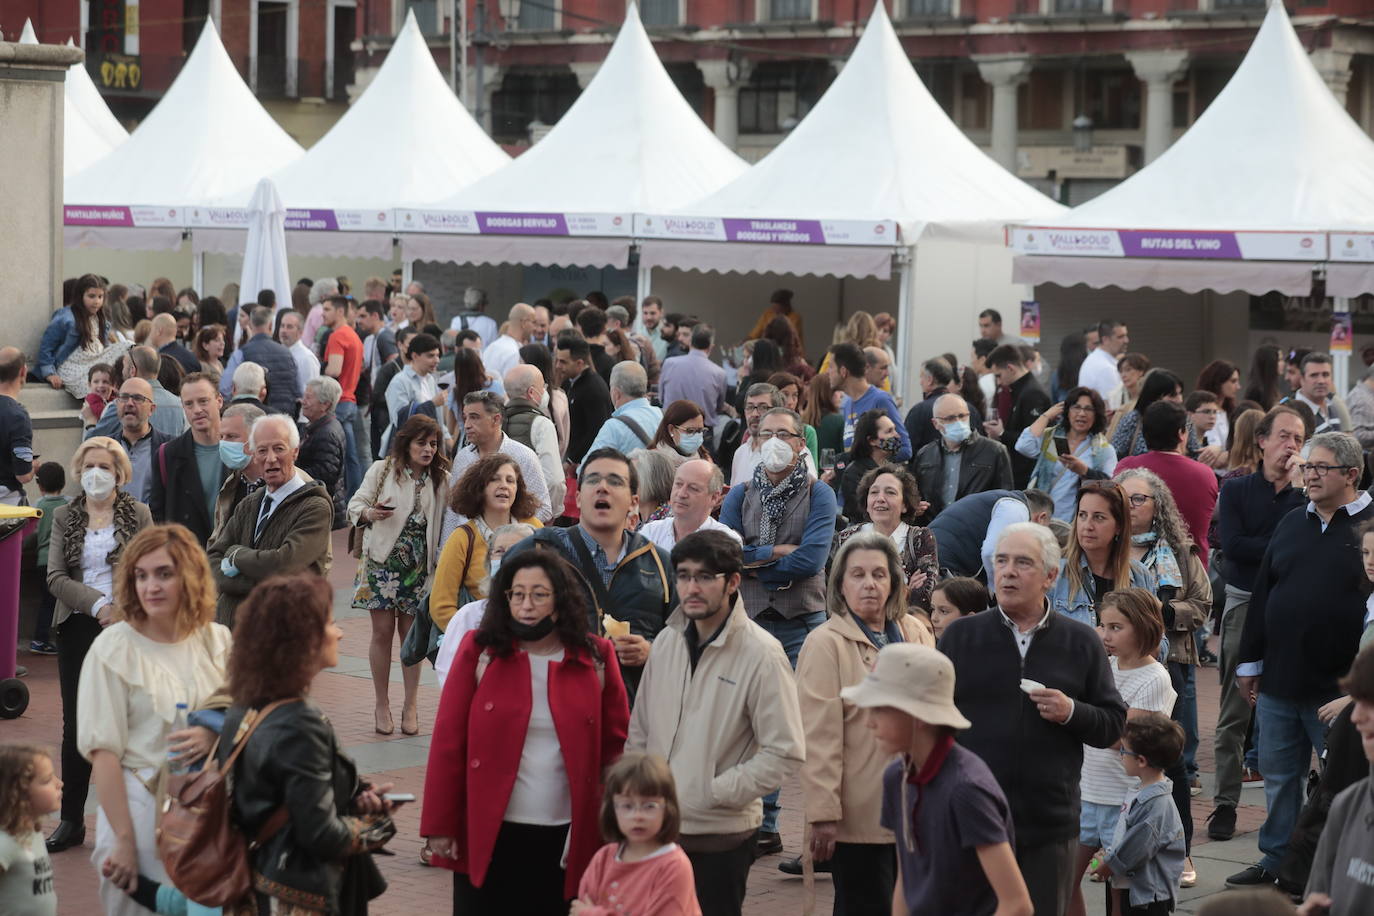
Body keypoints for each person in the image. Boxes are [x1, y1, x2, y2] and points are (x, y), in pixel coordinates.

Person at [422, 548, 631, 914]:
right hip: (490, 830)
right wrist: (440, 825)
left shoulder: (595, 657)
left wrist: (620, 825)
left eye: (539, 594)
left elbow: (616, 751)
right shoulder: (480, 650)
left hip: (567, 833)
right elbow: (448, 741)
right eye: (517, 594)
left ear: (559, 600)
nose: (526, 604)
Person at [940, 522, 1128, 916]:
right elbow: (935, 721)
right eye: (1001, 561)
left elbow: (1113, 723)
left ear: (1050, 576)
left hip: (1049, 822)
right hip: (972, 820)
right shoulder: (961, 637)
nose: (1007, 571)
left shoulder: (1080, 642)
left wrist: (1071, 711)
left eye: (1022, 563)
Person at [627, 530, 804, 915]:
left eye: (705, 577)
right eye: (684, 575)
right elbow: (640, 732)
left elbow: (785, 751)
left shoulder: (763, 654)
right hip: (658, 830)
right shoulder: (666, 642)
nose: (692, 586)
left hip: (721, 837)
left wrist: (714, 791)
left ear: (733, 582)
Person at [1229, 431, 1374, 889]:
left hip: (1340, 688)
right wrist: (1249, 662)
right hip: (1281, 679)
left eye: (1320, 468)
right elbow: (1265, 593)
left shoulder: (1371, 526)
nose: (1308, 474)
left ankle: (1329, 868)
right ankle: (1277, 862)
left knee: (1341, 783)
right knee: (1278, 776)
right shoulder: (1293, 521)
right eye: (1307, 466)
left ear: (1351, 474)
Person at [219, 573, 397, 915]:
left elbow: (274, 800)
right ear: (303, 640)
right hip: (300, 895)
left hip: (257, 884)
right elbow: (321, 834)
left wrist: (351, 799)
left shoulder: (244, 708)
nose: (340, 631)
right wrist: (378, 825)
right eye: (330, 623)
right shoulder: (300, 723)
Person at [78, 524, 231, 915]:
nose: (151, 586)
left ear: (190, 576)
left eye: (165, 573)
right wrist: (124, 842)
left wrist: (212, 731)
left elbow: (248, 715)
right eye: (141, 575)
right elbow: (104, 754)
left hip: (205, 818)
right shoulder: (113, 648)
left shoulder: (218, 641)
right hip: (139, 809)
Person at [791, 533, 934, 910]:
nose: (869, 584)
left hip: (917, 809)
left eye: (878, 574)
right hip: (860, 816)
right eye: (857, 574)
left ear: (894, 582)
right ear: (840, 583)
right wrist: (822, 813)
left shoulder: (915, 632)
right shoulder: (825, 643)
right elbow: (818, 735)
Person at [842, 643, 1032, 916]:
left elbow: (1016, 904)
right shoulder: (896, 777)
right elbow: (907, 878)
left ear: (918, 714)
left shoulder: (966, 790)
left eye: (880, 709)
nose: (869, 722)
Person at [720, 406, 835, 856]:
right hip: (749, 622)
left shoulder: (818, 493)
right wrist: (775, 554)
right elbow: (727, 553)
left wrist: (755, 562)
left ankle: (793, 826)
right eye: (764, 433)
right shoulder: (740, 493)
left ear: (800, 442)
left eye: (782, 434)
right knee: (752, 724)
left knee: (798, 728)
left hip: (802, 623)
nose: (772, 441)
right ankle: (760, 824)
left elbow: (812, 560)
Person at [43, 439, 153, 856]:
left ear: (119, 472)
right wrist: (98, 604)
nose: (96, 473)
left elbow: (149, 568)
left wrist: (122, 608)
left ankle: (130, 819)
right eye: (89, 465)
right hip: (77, 626)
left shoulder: (138, 513)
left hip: (127, 627)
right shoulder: (64, 515)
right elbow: (55, 577)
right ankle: (71, 820)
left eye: (104, 466)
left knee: (127, 720)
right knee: (78, 723)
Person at [1207, 405, 1306, 841]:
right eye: (1284, 436)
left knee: (1295, 707)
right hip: (1245, 603)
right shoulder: (1237, 490)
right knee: (1233, 712)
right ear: (1262, 440)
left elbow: (1301, 550)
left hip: (1293, 608)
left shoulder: (1307, 495)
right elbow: (1235, 547)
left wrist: (1302, 495)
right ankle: (1225, 803)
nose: (1291, 446)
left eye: (1300, 439)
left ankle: (1301, 808)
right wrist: (1282, 542)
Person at [506, 448, 675, 700]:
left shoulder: (659, 562)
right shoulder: (538, 550)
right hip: (551, 710)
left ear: (633, 502)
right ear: (578, 495)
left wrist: (652, 652)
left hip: (633, 717)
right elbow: (498, 624)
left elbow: (685, 641)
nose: (603, 487)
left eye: (615, 481)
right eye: (593, 480)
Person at [1070, 589, 1177, 916]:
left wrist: (1076, 716)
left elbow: (1129, 740)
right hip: (1088, 791)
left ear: (1144, 627)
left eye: (1116, 627)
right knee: (1063, 880)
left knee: (1120, 892)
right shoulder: (1104, 666)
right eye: (1103, 626)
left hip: (1126, 799)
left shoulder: (1154, 677)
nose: (1105, 635)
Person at [348, 415, 450, 736]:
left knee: (411, 638)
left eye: (433, 443)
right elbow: (355, 505)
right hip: (381, 562)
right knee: (381, 633)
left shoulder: (442, 479)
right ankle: (381, 704)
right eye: (421, 443)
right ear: (406, 443)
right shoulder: (382, 469)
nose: (428, 449)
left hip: (420, 569)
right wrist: (370, 513)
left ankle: (410, 705)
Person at [1118, 468, 1211, 803]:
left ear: (1158, 505)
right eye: (1123, 499)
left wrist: (1164, 612)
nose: (1130, 506)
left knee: (1170, 758)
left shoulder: (1180, 551)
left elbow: (1202, 604)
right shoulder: (1105, 549)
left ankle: (1178, 841)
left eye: (1138, 499)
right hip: (1118, 666)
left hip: (1170, 661)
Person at [207, 414, 334, 627]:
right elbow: (214, 559)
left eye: (279, 448)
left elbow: (284, 564)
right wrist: (260, 581)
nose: (271, 458)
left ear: (295, 451)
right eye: (263, 450)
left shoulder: (314, 507)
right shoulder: (250, 504)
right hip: (236, 630)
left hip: (283, 632)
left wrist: (237, 555)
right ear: (254, 455)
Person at [571, 752, 701, 916]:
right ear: (613, 809)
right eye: (627, 806)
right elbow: (580, 908)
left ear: (668, 809)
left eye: (649, 806)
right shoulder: (604, 858)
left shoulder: (674, 866)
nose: (637, 816)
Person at [1298, 644, 1374, 916]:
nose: (1356, 716)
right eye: (1356, 702)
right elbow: (1319, 897)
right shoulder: (1348, 804)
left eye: (1371, 703)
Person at [1088, 713, 1187, 916]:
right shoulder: (1140, 790)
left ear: (1141, 760)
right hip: (1132, 885)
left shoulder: (1155, 804)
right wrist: (1108, 853)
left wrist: (1110, 864)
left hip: (1148, 896)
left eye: (1124, 751)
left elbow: (1137, 845)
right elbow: (1126, 835)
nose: (1120, 755)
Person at [431, 454, 543, 632]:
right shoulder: (462, 538)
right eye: (494, 479)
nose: (504, 485)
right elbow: (440, 606)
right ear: (479, 488)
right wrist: (473, 641)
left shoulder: (534, 529)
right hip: (481, 636)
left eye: (510, 480)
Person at [1117, 401, 1220, 569]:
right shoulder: (1205, 474)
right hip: (1192, 569)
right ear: (1181, 433)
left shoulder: (1127, 468)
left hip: (1136, 567)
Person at [442, 391, 553, 540]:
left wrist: (509, 531)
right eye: (465, 418)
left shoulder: (523, 456)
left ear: (496, 419)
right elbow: (453, 511)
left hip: (509, 549)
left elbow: (544, 509)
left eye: (474, 417)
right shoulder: (463, 457)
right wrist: (443, 553)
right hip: (467, 549)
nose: (467, 425)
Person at [1047, 480, 1155, 627]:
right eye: (1082, 515)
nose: (1088, 526)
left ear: (1119, 526)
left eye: (1099, 517)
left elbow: (1160, 643)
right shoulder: (1055, 572)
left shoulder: (1139, 576)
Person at [833, 465, 939, 610]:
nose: (880, 499)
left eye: (890, 493)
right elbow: (837, 593)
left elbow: (923, 598)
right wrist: (906, 591)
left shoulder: (920, 539)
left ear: (905, 505)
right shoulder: (845, 539)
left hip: (904, 628)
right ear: (867, 503)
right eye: (874, 492)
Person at [148, 373, 228, 546]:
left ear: (219, 401)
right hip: (187, 558)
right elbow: (159, 515)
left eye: (203, 401)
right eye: (189, 404)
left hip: (232, 558)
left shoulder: (240, 449)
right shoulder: (167, 455)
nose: (197, 410)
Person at [1018, 388, 1117, 521]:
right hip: (1041, 516)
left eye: (1088, 409)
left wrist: (1085, 471)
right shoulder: (1050, 437)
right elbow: (1023, 445)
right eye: (1076, 407)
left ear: (1096, 414)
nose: (1082, 414)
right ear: (1067, 411)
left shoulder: (1104, 449)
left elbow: (1112, 487)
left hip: (1075, 521)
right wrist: (1047, 416)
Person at [913, 393, 1013, 521]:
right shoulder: (925, 455)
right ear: (936, 423)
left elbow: (1006, 501)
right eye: (950, 418)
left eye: (962, 416)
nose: (958, 422)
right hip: (935, 529)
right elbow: (917, 497)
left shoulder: (994, 451)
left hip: (975, 530)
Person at [927, 487, 1054, 584]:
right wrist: (996, 590)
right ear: (1042, 518)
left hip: (929, 558)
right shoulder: (1017, 508)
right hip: (944, 567)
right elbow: (991, 551)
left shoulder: (1000, 499)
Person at [36, 274, 129, 398]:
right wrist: (49, 373)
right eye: (91, 296)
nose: (96, 301)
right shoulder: (66, 318)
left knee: (129, 347)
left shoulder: (101, 319)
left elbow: (104, 346)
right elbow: (46, 347)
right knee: (96, 385)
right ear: (80, 296)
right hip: (73, 367)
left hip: (96, 362)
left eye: (100, 297)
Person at [0, 742, 62, 914]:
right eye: (47, 780)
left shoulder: (32, 831)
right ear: (18, 794)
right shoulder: (7, 841)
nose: (60, 783)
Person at [983, 344, 1053, 488]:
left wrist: (1002, 433)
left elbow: (1034, 440)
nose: (998, 381)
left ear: (1010, 368)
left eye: (998, 375)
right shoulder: (1016, 390)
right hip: (1016, 469)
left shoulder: (1032, 393)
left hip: (1026, 473)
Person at [830, 342, 911, 460]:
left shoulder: (880, 400)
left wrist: (871, 460)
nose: (828, 372)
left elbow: (904, 449)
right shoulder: (847, 404)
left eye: (831, 367)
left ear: (843, 371)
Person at [502, 363, 566, 512]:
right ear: (531, 392)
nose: (544, 390)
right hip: (530, 513)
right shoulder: (542, 425)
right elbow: (554, 480)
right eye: (542, 386)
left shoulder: (495, 421)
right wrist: (549, 512)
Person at [639, 459, 740, 553]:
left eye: (693, 488)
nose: (681, 494)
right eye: (678, 484)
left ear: (714, 497)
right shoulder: (650, 532)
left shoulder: (726, 541)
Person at [320, 295, 367, 495]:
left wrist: (321, 372)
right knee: (351, 456)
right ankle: (355, 495)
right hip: (350, 400)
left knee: (335, 455)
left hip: (339, 401)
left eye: (327, 309)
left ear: (340, 311)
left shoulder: (337, 335)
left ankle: (346, 497)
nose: (323, 313)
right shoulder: (353, 335)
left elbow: (335, 370)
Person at [217, 306, 301, 415]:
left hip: (252, 417)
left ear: (250, 325)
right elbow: (298, 390)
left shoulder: (241, 353)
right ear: (271, 325)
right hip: (285, 418)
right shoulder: (287, 353)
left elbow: (225, 388)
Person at [24, 462, 67, 655]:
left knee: (47, 602)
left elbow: (29, 535)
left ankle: (41, 639)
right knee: (64, 602)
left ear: (40, 486)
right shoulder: (69, 505)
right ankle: (46, 639)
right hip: (64, 562)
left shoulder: (38, 507)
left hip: (42, 561)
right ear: (64, 482)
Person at [582, 362, 663, 466]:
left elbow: (587, 468)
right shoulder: (662, 416)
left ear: (616, 394)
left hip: (630, 481)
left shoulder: (614, 427)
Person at [296, 376, 348, 527]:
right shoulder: (318, 427)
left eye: (308, 398)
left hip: (324, 508)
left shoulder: (326, 433)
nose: (303, 401)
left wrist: (293, 472)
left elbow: (326, 473)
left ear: (325, 405)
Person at [833, 408, 900, 522]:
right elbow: (860, 512)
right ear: (872, 440)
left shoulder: (895, 468)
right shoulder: (854, 473)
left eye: (894, 430)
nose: (897, 435)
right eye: (889, 431)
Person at [559, 332, 616, 466]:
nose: (558, 366)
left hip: (585, 465)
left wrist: (572, 460)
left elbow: (596, 431)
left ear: (579, 363)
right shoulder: (571, 382)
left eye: (563, 362)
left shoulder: (593, 388)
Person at [658, 324, 730, 430]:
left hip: (672, 429)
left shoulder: (670, 363)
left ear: (691, 341)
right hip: (702, 431)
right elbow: (718, 408)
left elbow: (661, 398)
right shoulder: (719, 373)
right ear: (711, 346)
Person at [383, 331, 447, 447]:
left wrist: (447, 439)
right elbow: (399, 419)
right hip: (407, 449)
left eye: (437, 355)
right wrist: (432, 404)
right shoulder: (400, 381)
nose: (437, 360)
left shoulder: (430, 379)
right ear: (415, 356)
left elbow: (438, 419)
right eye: (430, 356)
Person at [1283, 351, 1352, 435]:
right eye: (1314, 375)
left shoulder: (1333, 404)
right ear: (1302, 379)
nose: (1321, 381)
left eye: (1325, 375)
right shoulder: (1288, 409)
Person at [0, 348, 34, 506]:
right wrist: (34, 466)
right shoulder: (17, 416)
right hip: (6, 506)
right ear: (23, 371)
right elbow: (24, 475)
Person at [647, 399, 712, 472]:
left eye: (700, 431)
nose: (696, 436)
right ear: (671, 429)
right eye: (690, 431)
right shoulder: (654, 461)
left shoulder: (704, 456)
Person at [1078, 320, 1130, 408]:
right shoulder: (1105, 368)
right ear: (1105, 339)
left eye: (1126, 335)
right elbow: (1114, 408)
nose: (1126, 340)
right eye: (1120, 337)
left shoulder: (1095, 359)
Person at [480, 302, 535, 379]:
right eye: (534, 322)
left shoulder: (491, 347)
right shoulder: (514, 353)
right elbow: (511, 389)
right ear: (524, 323)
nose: (535, 328)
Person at [275, 309, 320, 396]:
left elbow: (309, 392)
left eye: (289, 327)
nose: (284, 330)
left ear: (300, 332)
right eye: (282, 326)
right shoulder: (276, 353)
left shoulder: (306, 358)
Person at [1243, 345, 1285, 411]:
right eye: (1279, 360)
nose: (1283, 363)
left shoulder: (1274, 388)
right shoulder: (1255, 391)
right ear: (1270, 362)